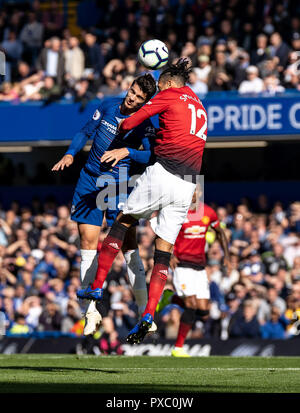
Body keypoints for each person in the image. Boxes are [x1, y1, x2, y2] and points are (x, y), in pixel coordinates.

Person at [77, 58, 208, 345]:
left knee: (122, 222)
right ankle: (148, 315)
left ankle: (97, 287)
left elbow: (131, 122)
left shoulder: (169, 94)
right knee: (163, 254)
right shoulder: (199, 105)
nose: (159, 89)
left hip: (164, 172)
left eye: (160, 85)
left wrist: (122, 128)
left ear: (170, 83)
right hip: (188, 184)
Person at [52, 74, 157, 336]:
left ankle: (146, 313)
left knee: (128, 246)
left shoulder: (144, 122)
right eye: (131, 91)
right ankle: (91, 312)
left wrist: (127, 152)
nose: (131, 98)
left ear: (145, 102)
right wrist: (70, 153)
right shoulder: (109, 105)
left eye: (138, 98)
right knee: (87, 245)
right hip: (89, 179)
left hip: (118, 183)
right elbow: (85, 131)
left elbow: (152, 155)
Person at [155, 190, 229, 356]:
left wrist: (227, 256)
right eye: (190, 191)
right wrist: (170, 254)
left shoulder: (208, 212)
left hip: (200, 267)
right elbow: (163, 233)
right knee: (191, 305)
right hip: (182, 265)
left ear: (201, 192)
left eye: (196, 191)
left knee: (203, 312)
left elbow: (220, 232)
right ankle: (178, 348)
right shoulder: (177, 212)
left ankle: (171, 298)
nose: (193, 194)